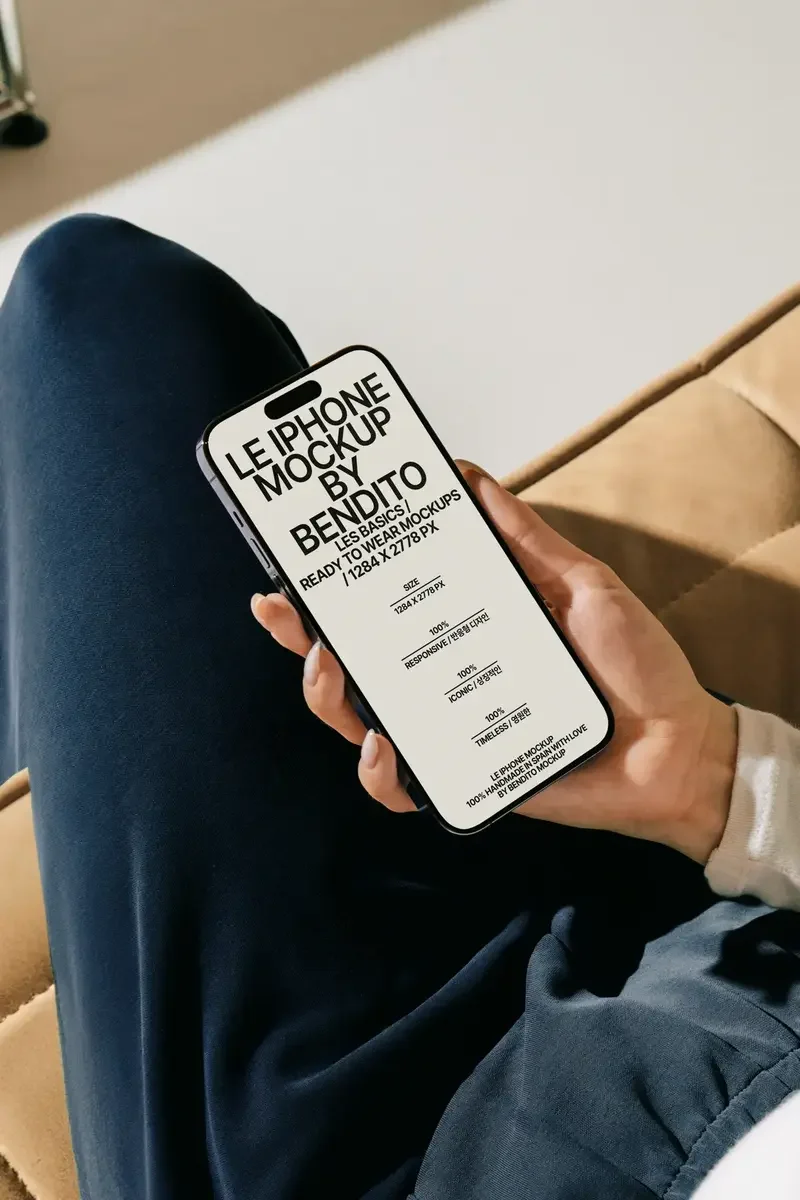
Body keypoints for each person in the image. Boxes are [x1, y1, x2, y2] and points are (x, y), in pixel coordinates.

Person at [1, 213, 799, 1200]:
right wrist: (708, 776)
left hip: (386, 1169)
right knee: (114, 305)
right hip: (714, 942)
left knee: (73, 315)